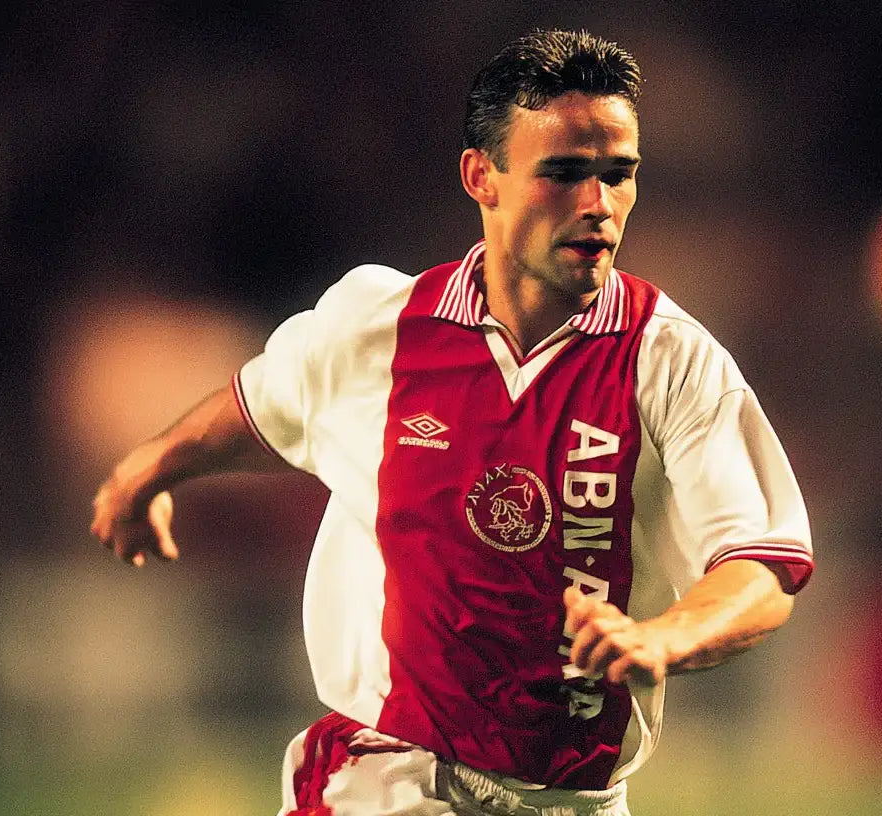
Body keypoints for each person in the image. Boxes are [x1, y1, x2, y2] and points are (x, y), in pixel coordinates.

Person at [90, 28, 813, 816]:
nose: (598, 205)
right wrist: (148, 469)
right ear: (483, 177)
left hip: (578, 798)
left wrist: (662, 638)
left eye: (618, 174)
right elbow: (262, 404)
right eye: (565, 173)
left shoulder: (669, 361)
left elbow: (761, 568)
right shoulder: (381, 327)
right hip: (391, 781)